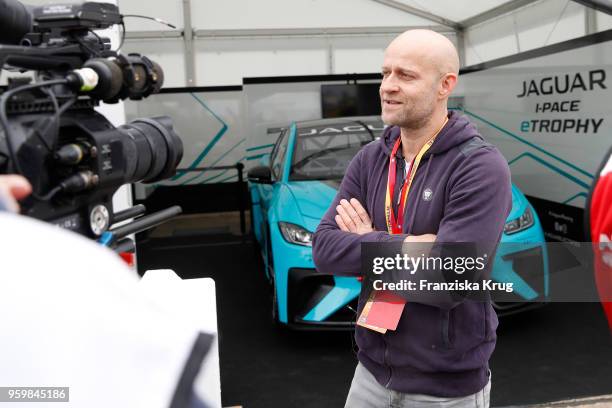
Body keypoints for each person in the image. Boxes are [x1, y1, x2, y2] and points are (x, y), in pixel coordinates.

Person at [312, 29, 512, 407]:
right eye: (385, 73)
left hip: (446, 388)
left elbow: (451, 279)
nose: (388, 86)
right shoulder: (371, 159)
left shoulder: (479, 166)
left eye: (405, 75)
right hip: (370, 373)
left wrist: (365, 244)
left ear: (444, 85)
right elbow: (323, 248)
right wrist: (409, 247)